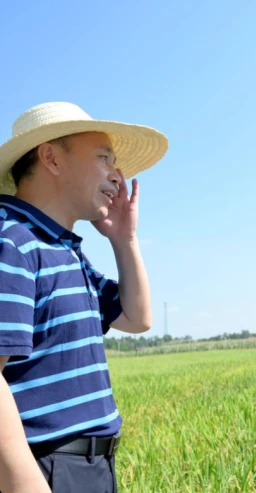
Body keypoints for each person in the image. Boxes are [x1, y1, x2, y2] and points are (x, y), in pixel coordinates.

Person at [0, 102, 168, 493]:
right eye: (103, 158)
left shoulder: (64, 249)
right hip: (43, 468)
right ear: (51, 158)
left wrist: (124, 239)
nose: (117, 175)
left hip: (90, 466)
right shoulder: (13, 243)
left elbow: (137, 318)